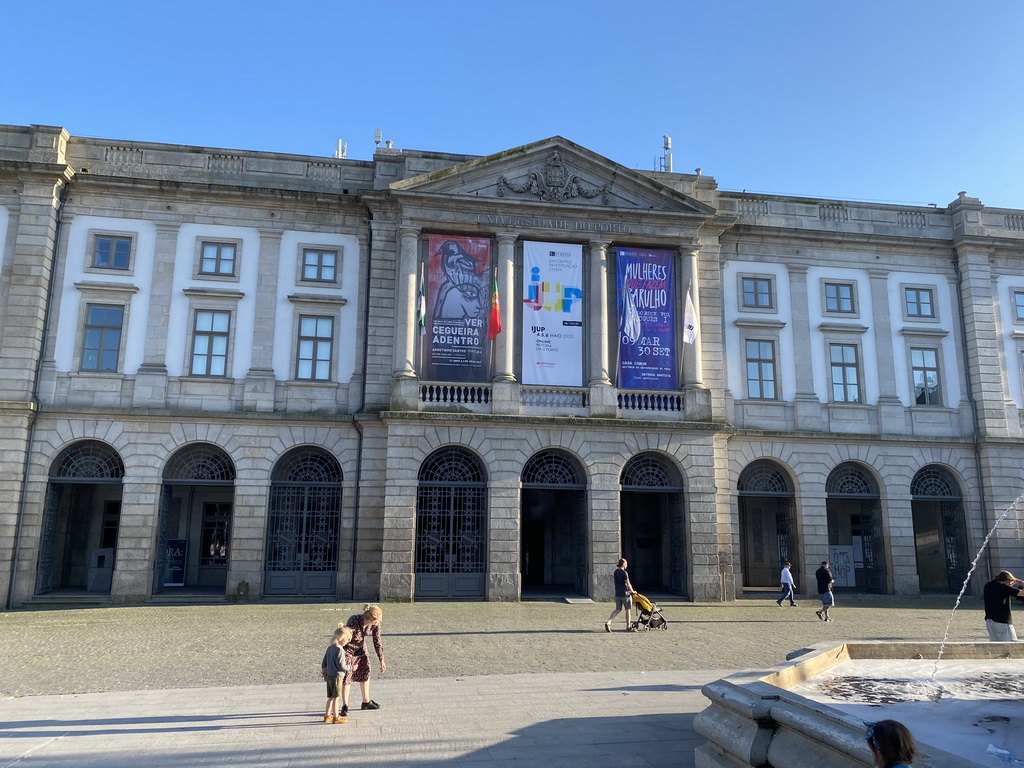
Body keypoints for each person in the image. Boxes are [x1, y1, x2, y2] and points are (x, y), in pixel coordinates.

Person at [339, 604, 387, 716]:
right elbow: (344, 636)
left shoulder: (375, 625)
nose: (379, 621)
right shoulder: (354, 620)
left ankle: (366, 702)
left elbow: (377, 640)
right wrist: (338, 653)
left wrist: (381, 659)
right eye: (378, 619)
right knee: (347, 676)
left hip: (361, 648)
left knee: (366, 671)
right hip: (348, 649)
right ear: (371, 619)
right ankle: (345, 705)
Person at [321, 625, 353, 723]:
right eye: (347, 640)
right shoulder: (340, 650)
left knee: (330, 697)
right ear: (341, 638)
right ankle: (336, 717)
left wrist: (324, 670)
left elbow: (324, 662)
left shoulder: (330, 648)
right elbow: (342, 665)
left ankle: (327, 715)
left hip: (330, 675)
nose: (347, 642)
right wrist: (351, 667)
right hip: (337, 676)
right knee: (336, 697)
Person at [983, 570, 1024, 641]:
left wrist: (1010, 584)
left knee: (996, 647)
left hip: (989, 621)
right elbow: (1022, 593)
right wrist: (1022, 583)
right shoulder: (1004, 587)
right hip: (1002, 621)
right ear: (1007, 580)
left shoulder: (988, 585)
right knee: (1012, 645)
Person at [605, 558, 635, 632]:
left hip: (617, 594)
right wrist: (632, 591)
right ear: (623, 564)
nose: (627, 565)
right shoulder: (624, 573)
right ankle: (628, 626)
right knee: (628, 610)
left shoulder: (616, 572)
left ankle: (609, 621)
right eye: (626, 564)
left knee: (617, 609)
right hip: (625, 594)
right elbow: (628, 584)